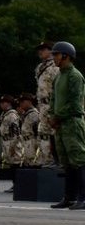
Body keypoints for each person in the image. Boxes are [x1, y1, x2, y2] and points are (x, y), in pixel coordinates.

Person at [49, 41, 85, 209]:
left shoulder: (74, 76)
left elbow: (75, 103)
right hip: (61, 124)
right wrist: (52, 116)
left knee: (78, 160)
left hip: (72, 122)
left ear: (66, 56)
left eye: (56, 55)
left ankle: (83, 198)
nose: (54, 58)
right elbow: (53, 100)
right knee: (67, 162)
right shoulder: (59, 76)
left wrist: (57, 116)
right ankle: (69, 197)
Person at [36, 41, 60, 167]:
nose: (40, 51)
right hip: (43, 105)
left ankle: (59, 160)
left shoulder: (55, 67)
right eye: (39, 49)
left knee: (55, 132)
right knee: (45, 134)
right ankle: (50, 159)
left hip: (52, 103)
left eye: (44, 49)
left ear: (51, 51)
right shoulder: (40, 67)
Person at [19, 93, 41, 168]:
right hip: (25, 143)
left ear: (29, 102)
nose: (21, 104)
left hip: (32, 143)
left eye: (23, 101)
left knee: (33, 165)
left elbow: (37, 132)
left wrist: (37, 147)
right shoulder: (26, 114)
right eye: (20, 102)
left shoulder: (34, 114)